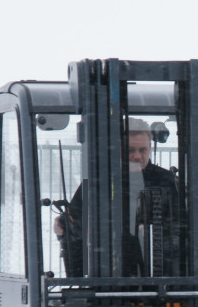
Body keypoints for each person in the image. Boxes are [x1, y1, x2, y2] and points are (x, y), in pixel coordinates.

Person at [55, 118, 186, 276]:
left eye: (143, 150)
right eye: (130, 150)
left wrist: (156, 237)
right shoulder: (96, 184)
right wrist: (64, 232)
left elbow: (182, 230)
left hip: (158, 280)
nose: (137, 156)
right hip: (107, 280)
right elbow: (75, 233)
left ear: (150, 147)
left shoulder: (167, 182)